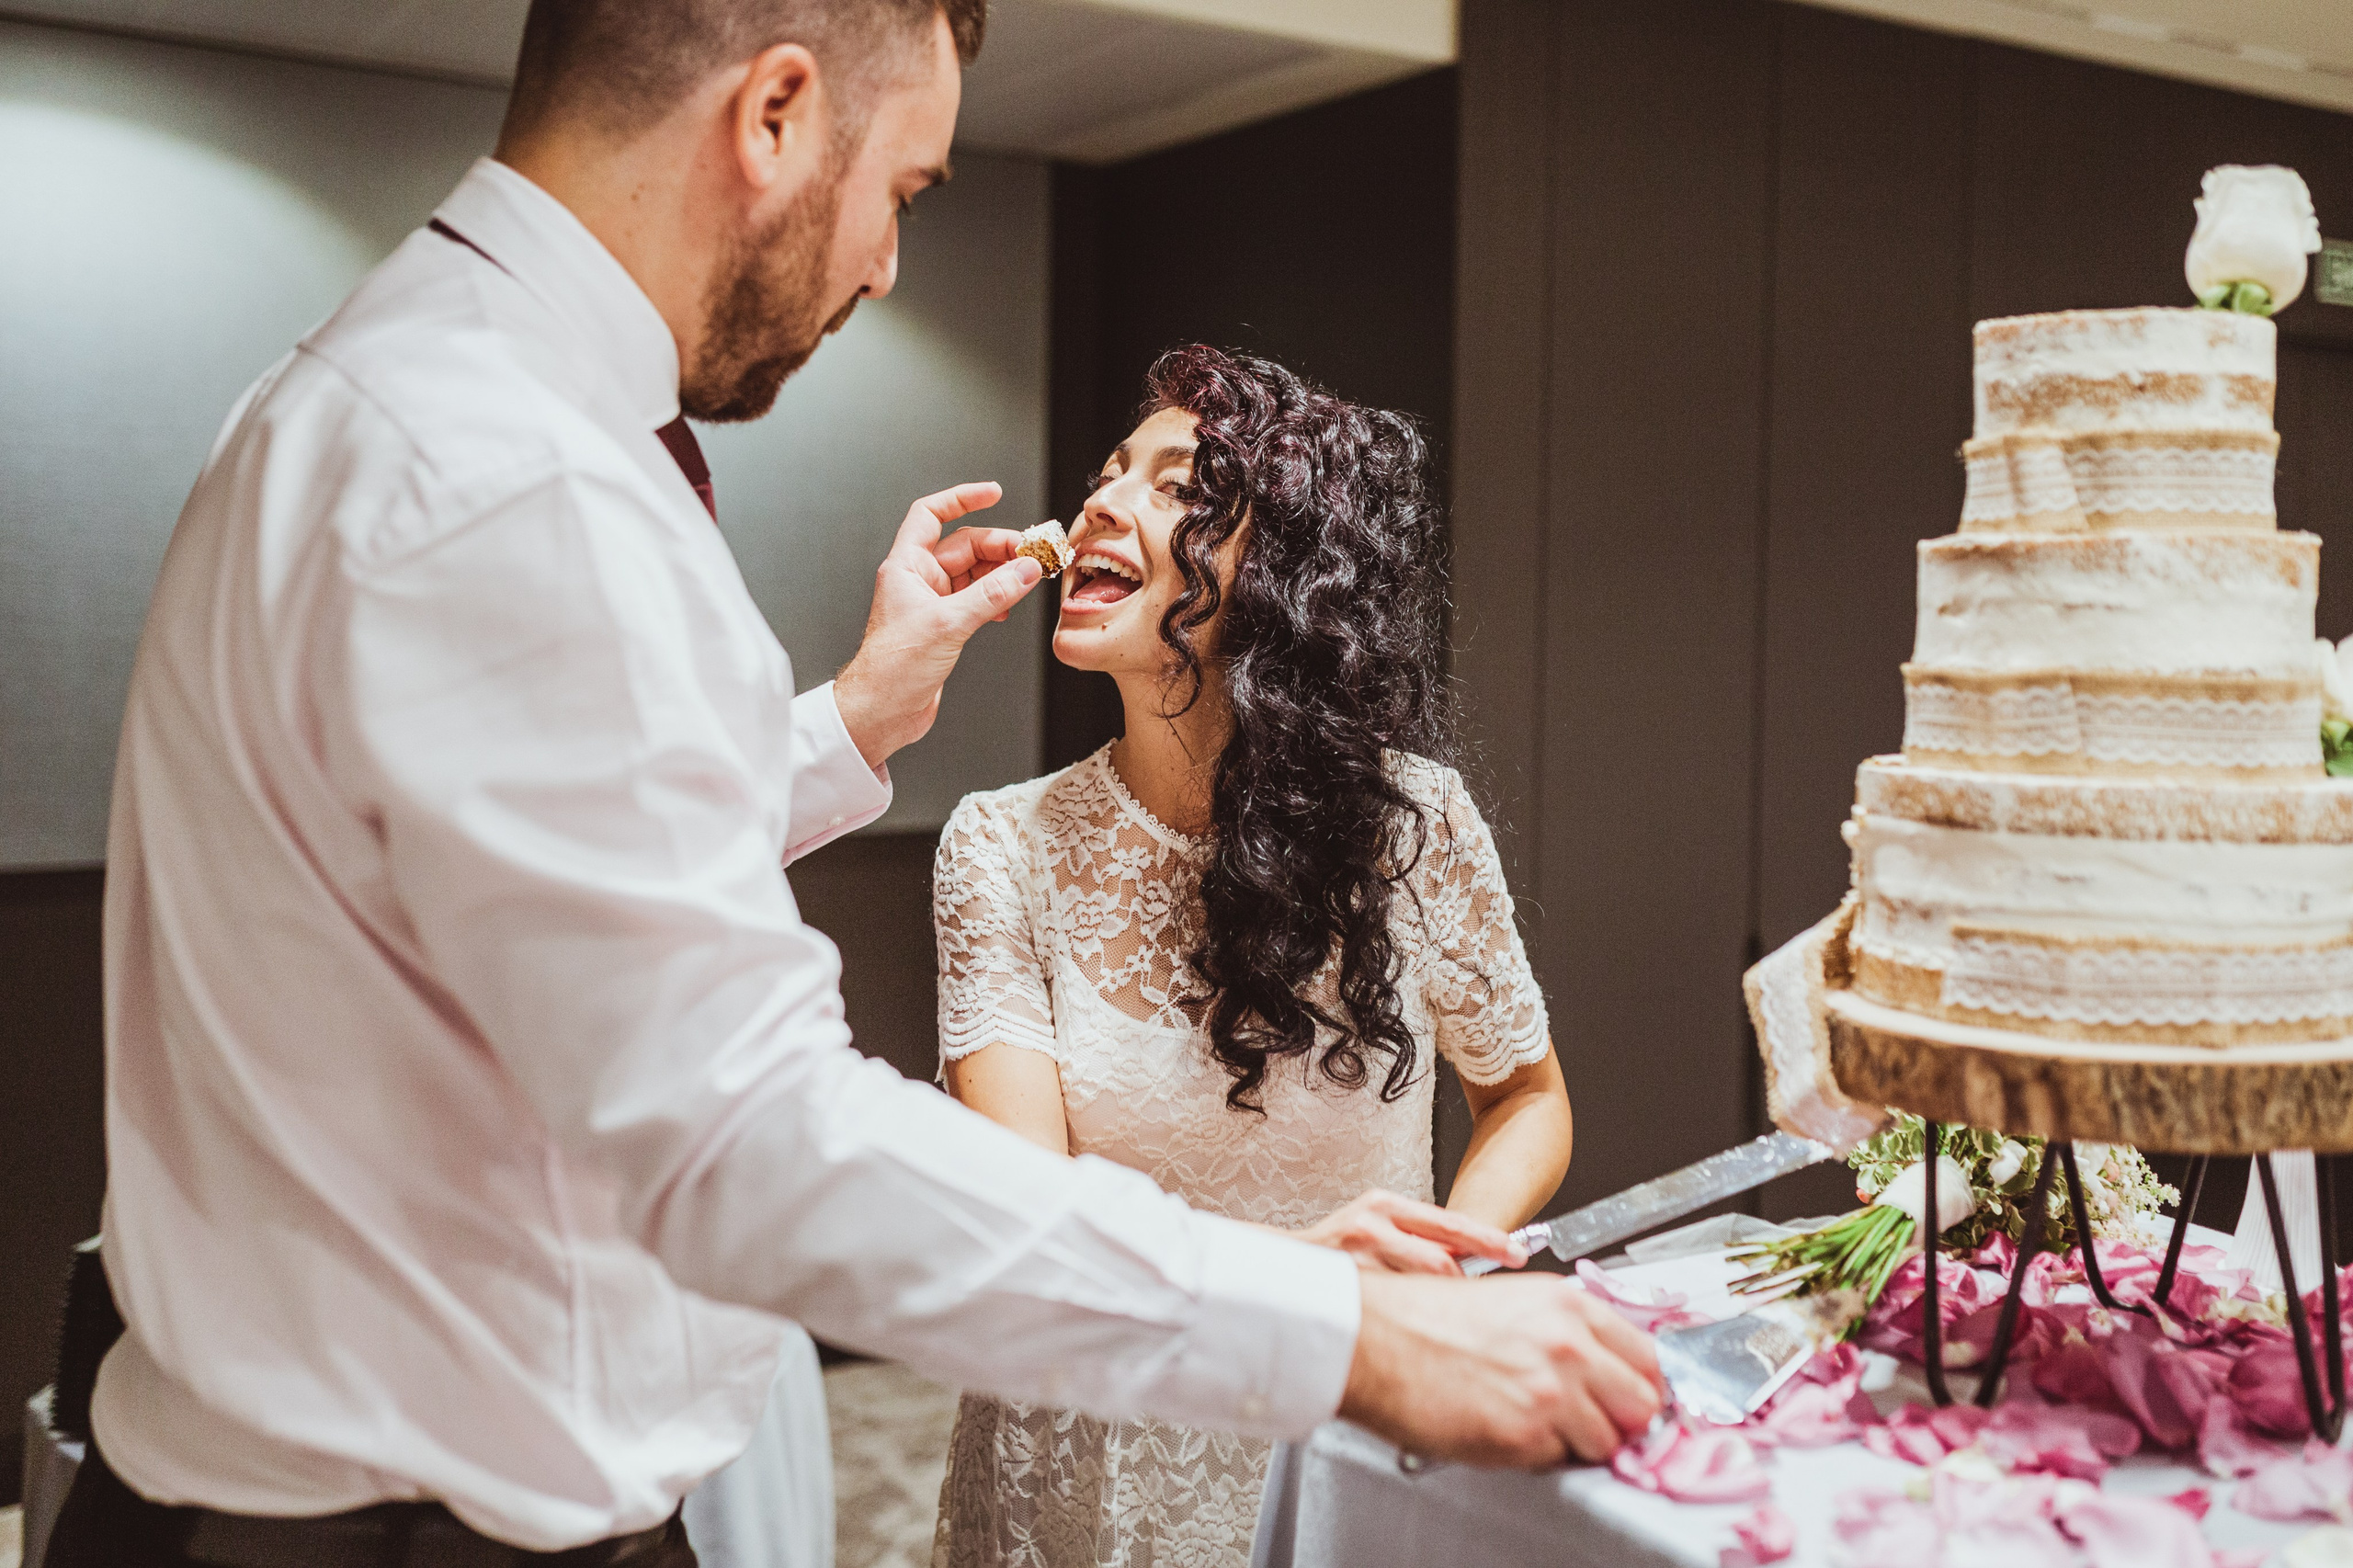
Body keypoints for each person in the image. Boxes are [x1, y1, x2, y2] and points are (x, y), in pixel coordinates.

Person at [51, 3, 1665, 1563]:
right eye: (899, 193)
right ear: (774, 117)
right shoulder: (508, 478)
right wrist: (1341, 1329)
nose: (887, 266)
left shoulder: (387, 398)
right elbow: (748, 1136)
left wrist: (843, 726)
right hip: (396, 1534)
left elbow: (506, 875)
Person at [931, 348, 1578, 1567]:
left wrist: (1434, 1272)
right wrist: (1305, 1274)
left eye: (1178, 485)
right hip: (1099, 1451)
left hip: (1343, 1418)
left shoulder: (1415, 824)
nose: (1102, 504)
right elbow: (1030, 1226)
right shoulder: (999, 848)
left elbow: (1528, 1099)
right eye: (1109, 473)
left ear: (1278, 575)